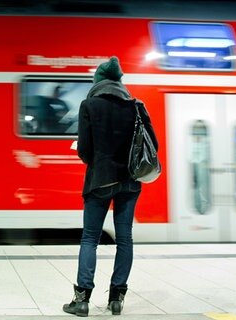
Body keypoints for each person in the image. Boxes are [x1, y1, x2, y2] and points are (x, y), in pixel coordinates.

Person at [63, 57, 158, 317]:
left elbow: (84, 150)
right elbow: (153, 146)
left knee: (90, 238)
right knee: (124, 239)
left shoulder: (89, 105)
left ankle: (81, 299)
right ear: (119, 82)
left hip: (100, 181)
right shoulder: (136, 106)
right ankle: (117, 299)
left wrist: (96, 158)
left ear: (98, 81)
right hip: (129, 182)